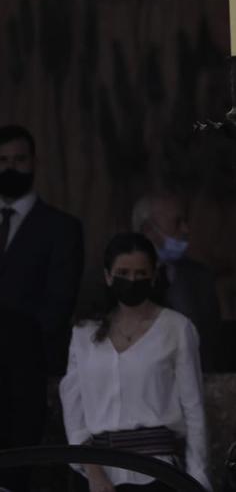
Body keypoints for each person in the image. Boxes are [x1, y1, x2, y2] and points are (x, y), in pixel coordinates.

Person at [59, 233, 209, 491]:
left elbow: (194, 409)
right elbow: (74, 407)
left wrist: (197, 478)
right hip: (98, 475)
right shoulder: (85, 332)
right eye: (123, 273)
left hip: (158, 470)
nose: (132, 280)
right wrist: (92, 471)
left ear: (153, 276)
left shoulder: (176, 328)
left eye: (140, 274)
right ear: (108, 276)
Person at [0, 124, 84, 492]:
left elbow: (57, 303)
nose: (10, 168)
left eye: (18, 160)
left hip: (28, 371)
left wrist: (20, 349)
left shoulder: (61, 229)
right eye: (1, 161)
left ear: (33, 163)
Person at [132, 191, 222, 370]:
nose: (185, 229)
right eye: (177, 222)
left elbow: (211, 343)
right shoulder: (124, 276)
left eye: (185, 221)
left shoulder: (200, 277)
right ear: (149, 230)